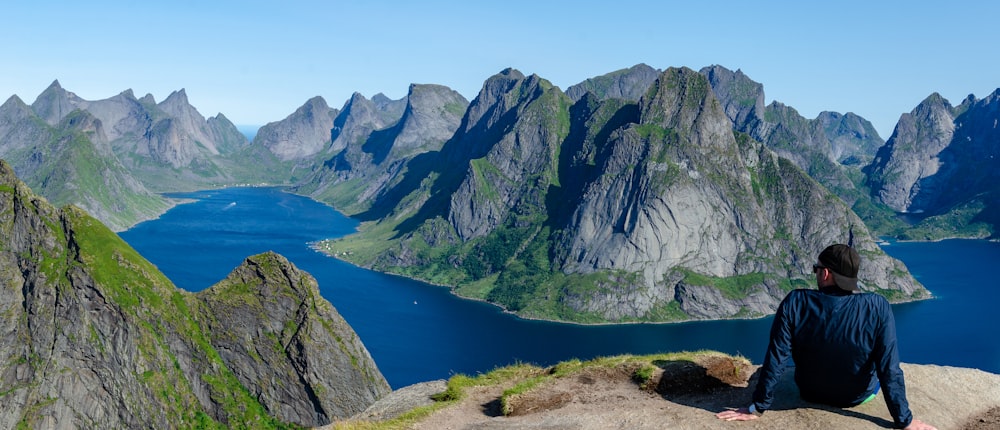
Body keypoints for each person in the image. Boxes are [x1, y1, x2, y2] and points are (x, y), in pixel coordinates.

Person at [715, 244, 935, 429]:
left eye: (816, 269)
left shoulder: (795, 302)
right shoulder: (878, 306)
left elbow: (777, 357)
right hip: (856, 397)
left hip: (810, 392)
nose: (816, 273)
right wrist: (904, 420)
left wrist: (758, 407)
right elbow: (889, 367)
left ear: (826, 273)